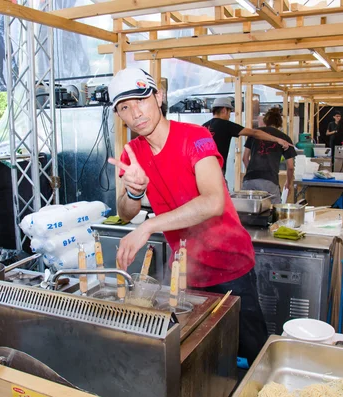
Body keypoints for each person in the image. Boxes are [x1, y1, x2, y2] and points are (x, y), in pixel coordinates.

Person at [106, 68, 268, 363]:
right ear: (120, 116)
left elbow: (213, 202)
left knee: (253, 352)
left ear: (158, 96)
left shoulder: (196, 137)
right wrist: (133, 192)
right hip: (186, 273)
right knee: (200, 357)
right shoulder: (132, 152)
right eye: (124, 107)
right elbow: (126, 214)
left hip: (231, 265)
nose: (135, 113)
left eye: (140, 100)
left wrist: (149, 227)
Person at [202, 97, 291, 176]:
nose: (229, 116)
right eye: (229, 112)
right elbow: (255, 133)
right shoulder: (226, 125)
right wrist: (277, 139)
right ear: (224, 110)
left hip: (200, 169)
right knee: (220, 194)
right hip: (216, 170)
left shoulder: (203, 127)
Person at [242, 108, 297, 204]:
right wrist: (288, 183)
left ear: (265, 121)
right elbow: (291, 166)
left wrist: (251, 172)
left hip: (249, 180)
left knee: (248, 212)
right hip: (269, 181)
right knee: (273, 213)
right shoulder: (284, 138)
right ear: (279, 123)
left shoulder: (255, 133)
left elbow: (245, 158)